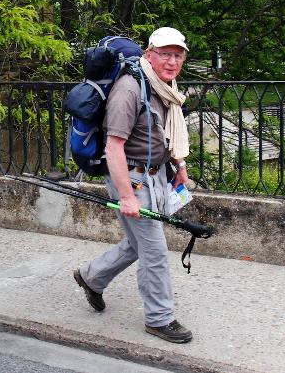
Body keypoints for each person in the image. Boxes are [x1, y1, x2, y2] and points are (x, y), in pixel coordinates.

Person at [73, 27, 193, 343]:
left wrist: (178, 165)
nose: (172, 61)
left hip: (156, 176)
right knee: (153, 250)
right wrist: (127, 196)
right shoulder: (129, 89)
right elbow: (113, 147)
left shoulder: (165, 88)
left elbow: (163, 135)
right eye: (165, 54)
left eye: (177, 55)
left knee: (139, 244)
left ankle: (91, 276)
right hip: (132, 179)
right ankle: (160, 318)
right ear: (149, 54)